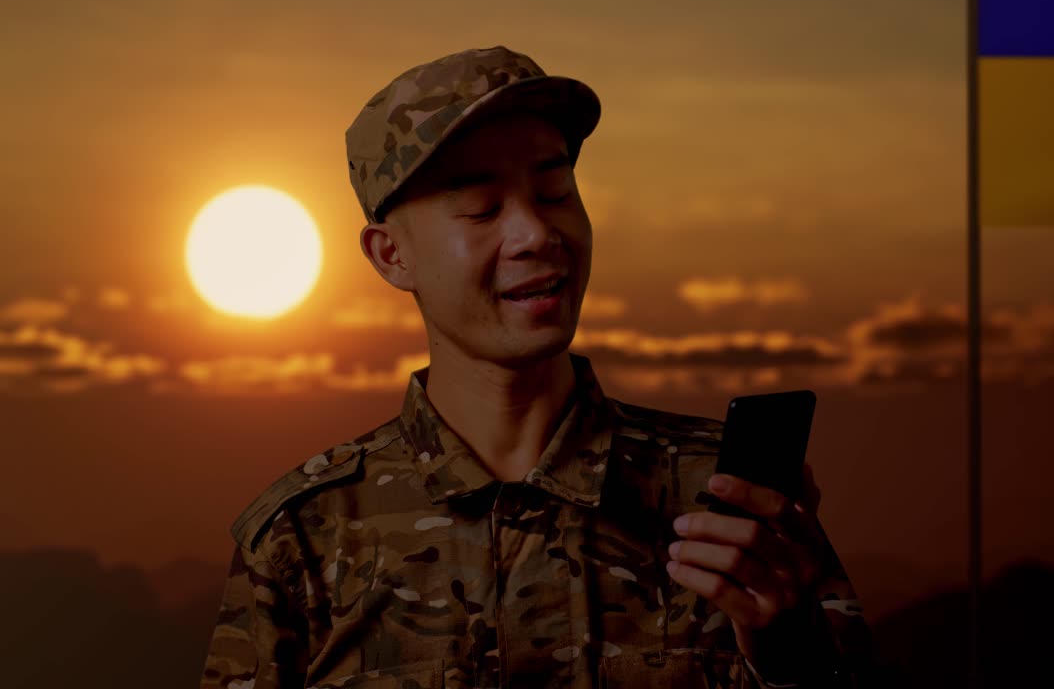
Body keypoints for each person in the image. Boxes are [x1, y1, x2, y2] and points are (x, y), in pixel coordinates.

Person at [198, 46, 871, 689]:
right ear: (390, 255)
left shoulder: (723, 506)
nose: (536, 234)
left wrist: (793, 659)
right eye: (482, 209)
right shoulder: (304, 540)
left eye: (554, 193)